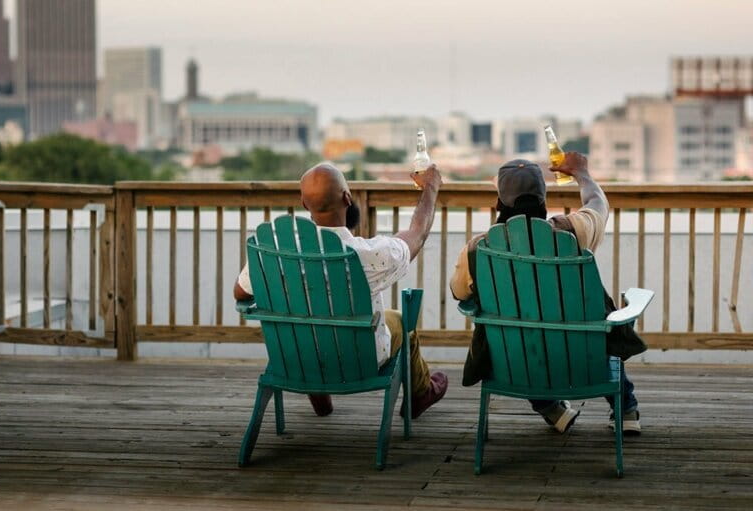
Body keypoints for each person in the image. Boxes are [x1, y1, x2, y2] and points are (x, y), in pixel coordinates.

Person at [449, 152, 645, 435]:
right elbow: (597, 203)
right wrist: (582, 173)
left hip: (517, 364)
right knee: (599, 323)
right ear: (543, 198)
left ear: (500, 202)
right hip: (583, 359)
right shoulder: (574, 231)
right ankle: (626, 409)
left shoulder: (477, 250)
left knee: (517, 334)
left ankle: (551, 408)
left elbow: (460, 294)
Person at [234, 162, 448, 419]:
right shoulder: (368, 255)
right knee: (402, 322)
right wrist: (431, 187)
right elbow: (417, 233)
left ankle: (321, 400)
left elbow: (241, 293)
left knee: (309, 323)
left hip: (298, 357)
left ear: (305, 205)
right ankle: (421, 393)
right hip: (359, 358)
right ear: (347, 198)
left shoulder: (273, 250)